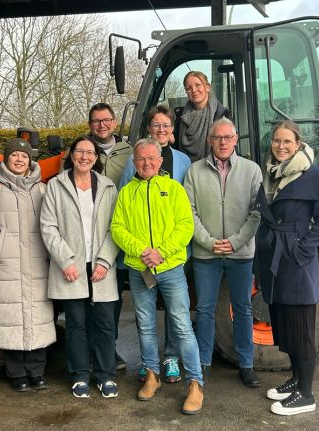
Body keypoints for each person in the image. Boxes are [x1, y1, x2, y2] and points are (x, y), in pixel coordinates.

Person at [112, 138, 204, 415]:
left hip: (170, 268)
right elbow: (117, 227)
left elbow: (185, 226)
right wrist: (141, 251)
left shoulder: (174, 189)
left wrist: (161, 252)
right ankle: (152, 374)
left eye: (152, 158)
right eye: (141, 159)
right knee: (146, 325)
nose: (146, 163)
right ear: (134, 162)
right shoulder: (126, 193)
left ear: (160, 161)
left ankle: (195, 383)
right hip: (139, 269)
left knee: (182, 325)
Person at [255, 120, 319, 416]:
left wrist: (302, 248)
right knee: (284, 325)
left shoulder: (314, 175)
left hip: (296, 258)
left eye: (287, 141)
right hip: (274, 256)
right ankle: (296, 380)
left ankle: (306, 394)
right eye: (277, 141)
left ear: (298, 144)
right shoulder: (269, 173)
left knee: (301, 329)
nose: (281, 146)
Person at [183, 117, 263, 387]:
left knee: (243, 309)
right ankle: (203, 364)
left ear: (236, 139)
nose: (223, 142)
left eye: (228, 137)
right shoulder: (194, 172)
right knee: (204, 309)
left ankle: (246, 364)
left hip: (241, 254)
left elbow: (257, 212)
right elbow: (189, 212)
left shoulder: (252, 170)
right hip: (207, 255)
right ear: (210, 140)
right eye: (218, 137)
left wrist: (236, 241)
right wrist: (208, 242)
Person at [0, 138, 55, 392]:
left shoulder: (42, 190)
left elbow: (52, 224)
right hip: (7, 264)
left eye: (24, 156)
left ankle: (37, 371)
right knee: (11, 316)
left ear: (30, 161)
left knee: (38, 315)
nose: (19, 159)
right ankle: (17, 373)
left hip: (37, 262)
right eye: (15, 155)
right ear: (6, 158)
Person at [40, 136, 120, 399]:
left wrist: (105, 261)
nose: (85, 157)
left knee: (105, 323)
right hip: (71, 266)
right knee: (76, 324)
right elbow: (48, 227)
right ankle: (80, 376)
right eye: (80, 151)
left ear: (96, 158)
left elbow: (115, 228)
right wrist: (65, 260)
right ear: (72, 155)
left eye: (90, 152)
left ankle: (105, 376)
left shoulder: (108, 187)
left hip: (101, 266)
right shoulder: (56, 186)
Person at [120, 105, 191, 384]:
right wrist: (142, 250)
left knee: (176, 312)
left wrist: (165, 250)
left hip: (170, 253)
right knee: (145, 315)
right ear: (149, 128)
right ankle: (149, 363)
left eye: (166, 125)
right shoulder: (134, 160)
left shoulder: (183, 160)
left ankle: (171, 356)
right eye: (156, 125)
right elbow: (126, 204)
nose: (161, 129)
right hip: (143, 258)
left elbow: (185, 209)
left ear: (172, 130)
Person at [88, 102, 133, 370]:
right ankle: (90, 350)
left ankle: (109, 349)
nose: (102, 125)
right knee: (89, 297)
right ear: (90, 125)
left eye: (106, 120)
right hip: (89, 233)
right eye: (96, 121)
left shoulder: (130, 152)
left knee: (112, 297)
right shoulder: (81, 150)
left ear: (114, 122)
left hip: (119, 231)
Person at [175, 71, 230, 163]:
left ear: (207, 87)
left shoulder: (223, 116)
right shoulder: (180, 117)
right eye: (189, 88)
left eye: (198, 85)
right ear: (186, 92)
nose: (194, 90)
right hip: (185, 167)